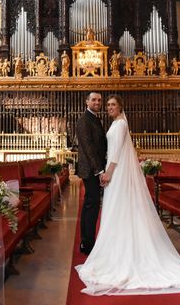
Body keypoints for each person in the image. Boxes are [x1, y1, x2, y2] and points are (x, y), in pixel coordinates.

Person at [76, 95, 180, 295]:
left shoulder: (119, 124)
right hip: (109, 172)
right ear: (88, 102)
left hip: (115, 172)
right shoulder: (105, 122)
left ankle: (118, 249)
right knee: (111, 209)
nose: (108, 106)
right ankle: (102, 245)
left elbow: (115, 153)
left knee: (116, 209)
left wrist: (109, 172)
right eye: (107, 104)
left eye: (112, 104)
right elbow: (92, 147)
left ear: (120, 107)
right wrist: (102, 171)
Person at [74, 92, 107, 255]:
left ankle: (87, 241)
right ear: (87, 102)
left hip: (95, 168)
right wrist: (99, 170)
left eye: (99, 100)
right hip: (91, 170)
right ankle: (87, 244)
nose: (97, 102)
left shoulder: (95, 118)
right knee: (92, 205)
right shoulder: (84, 120)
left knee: (91, 204)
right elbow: (88, 148)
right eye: (93, 99)